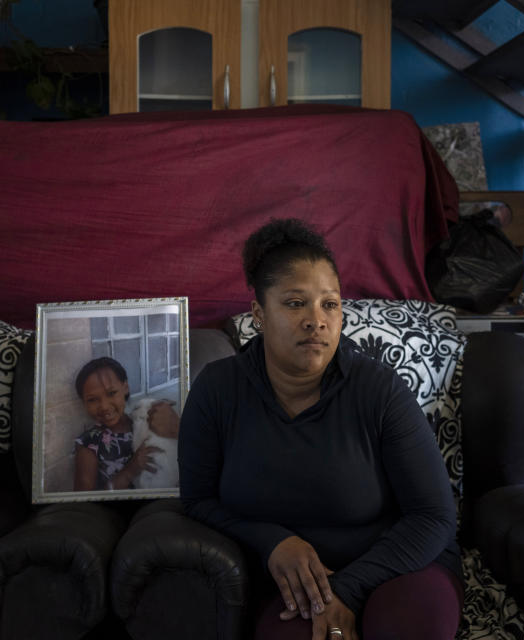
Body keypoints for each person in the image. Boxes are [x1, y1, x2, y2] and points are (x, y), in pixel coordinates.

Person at [178, 218, 463, 640]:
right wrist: (273, 541)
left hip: (400, 563)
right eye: (295, 304)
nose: (317, 320)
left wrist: (346, 590)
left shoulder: (378, 390)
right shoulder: (218, 391)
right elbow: (198, 500)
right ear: (259, 314)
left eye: (330, 304)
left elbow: (435, 516)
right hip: (294, 584)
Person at [72, 357, 178, 491]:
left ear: (125, 388)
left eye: (111, 393)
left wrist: (176, 428)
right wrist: (129, 471)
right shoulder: (89, 443)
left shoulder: (147, 421)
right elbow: (83, 501)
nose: (104, 406)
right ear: (84, 403)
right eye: (92, 400)